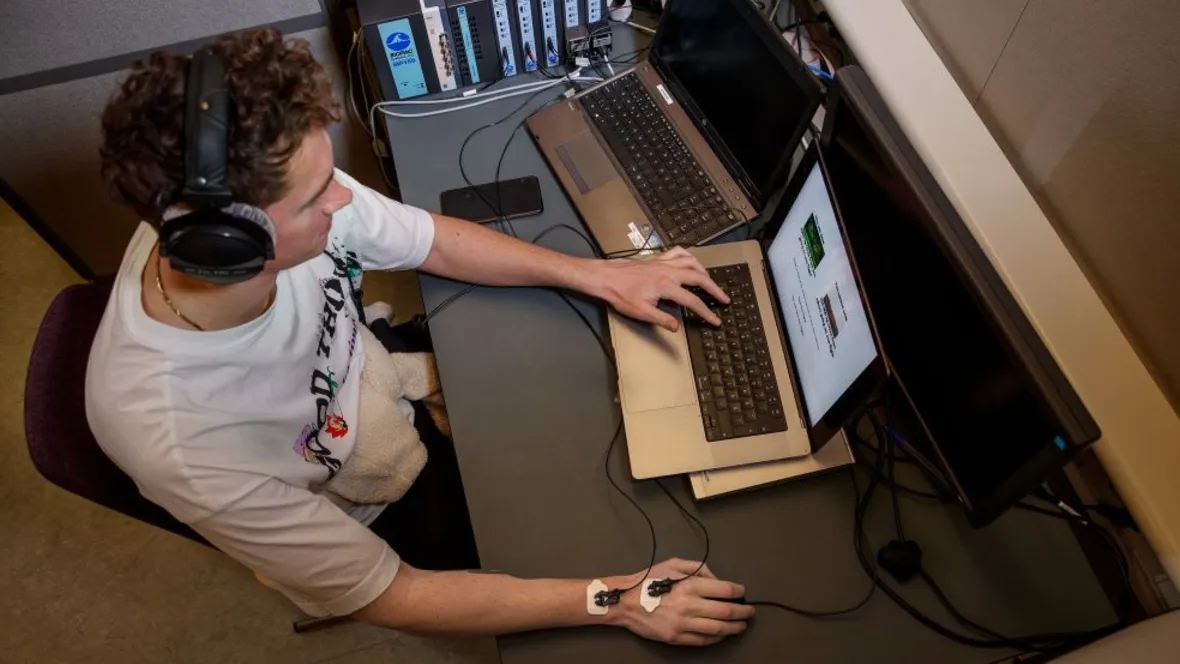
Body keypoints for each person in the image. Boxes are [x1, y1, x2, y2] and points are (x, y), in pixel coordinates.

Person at [85, 28, 753, 646]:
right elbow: (392, 593)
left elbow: (430, 241)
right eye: (316, 198)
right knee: (586, 528)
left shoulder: (248, 199)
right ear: (225, 243)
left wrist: (601, 277)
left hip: (375, 374)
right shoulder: (180, 440)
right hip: (370, 501)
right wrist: (618, 600)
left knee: (584, 393)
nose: (342, 200)